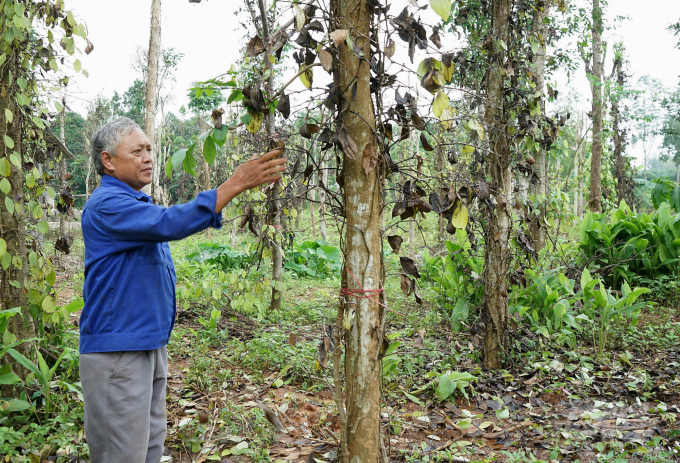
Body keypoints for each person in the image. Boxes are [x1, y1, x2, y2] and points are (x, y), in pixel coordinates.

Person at [78, 117, 286, 463]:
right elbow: (170, 223)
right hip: (118, 350)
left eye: (149, 149)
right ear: (108, 160)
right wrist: (233, 184)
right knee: (122, 455)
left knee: (148, 449)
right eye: (137, 151)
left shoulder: (135, 203)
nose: (148, 157)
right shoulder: (107, 205)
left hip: (148, 344)